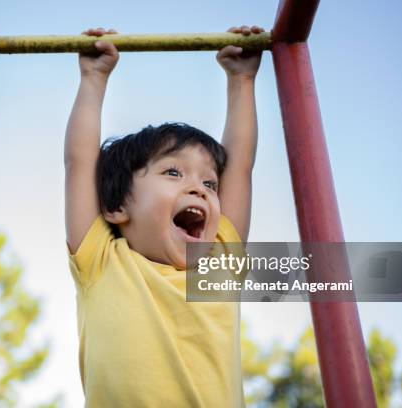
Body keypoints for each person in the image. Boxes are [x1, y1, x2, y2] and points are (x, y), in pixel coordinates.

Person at [65, 25, 263, 407]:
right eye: (173, 172)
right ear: (117, 207)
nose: (198, 188)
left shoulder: (218, 262)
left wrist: (242, 81)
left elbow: (238, 168)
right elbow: (79, 164)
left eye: (209, 183)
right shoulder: (102, 261)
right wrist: (93, 78)